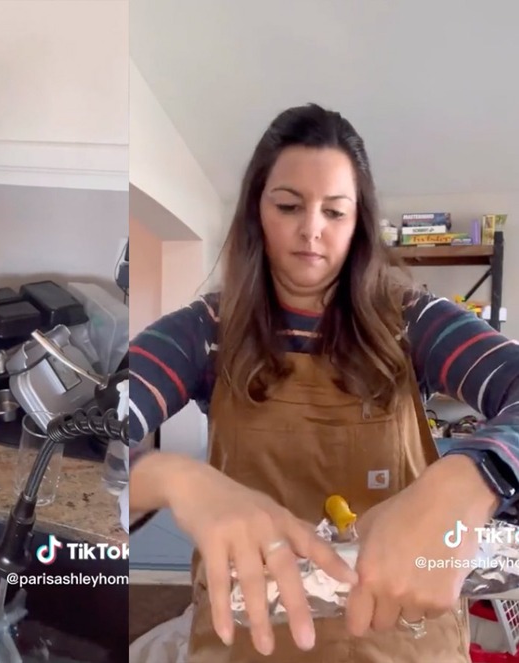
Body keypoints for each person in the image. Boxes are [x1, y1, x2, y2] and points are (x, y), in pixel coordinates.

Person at [128, 103, 519, 662]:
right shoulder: (203, 333)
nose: (311, 229)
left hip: (402, 640)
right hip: (250, 640)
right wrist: (172, 476)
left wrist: (470, 478)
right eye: (288, 206)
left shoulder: (416, 323)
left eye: (335, 212)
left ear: (359, 221)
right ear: (256, 212)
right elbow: (90, 434)